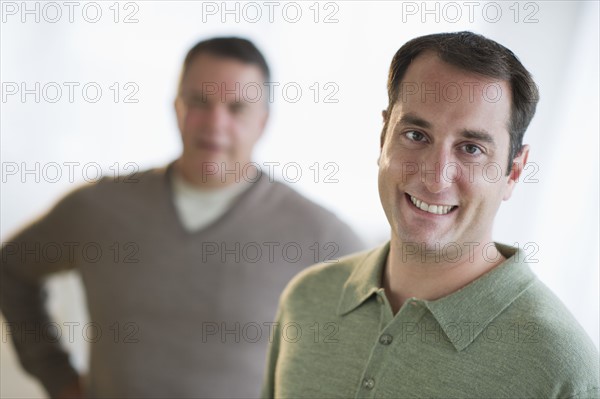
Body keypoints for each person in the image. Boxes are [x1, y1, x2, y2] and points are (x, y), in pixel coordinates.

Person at [0, 37, 365, 398]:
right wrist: (58, 379)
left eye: (236, 108)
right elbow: (10, 269)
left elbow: (378, 333)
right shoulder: (100, 207)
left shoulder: (318, 235)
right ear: (176, 107)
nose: (214, 124)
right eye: (199, 102)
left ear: (263, 121)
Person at [261, 31, 600, 398]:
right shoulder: (308, 298)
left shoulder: (562, 370)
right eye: (416, 135)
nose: (435, 178)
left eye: (470, 148)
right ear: (383, 138)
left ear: (513, 172)